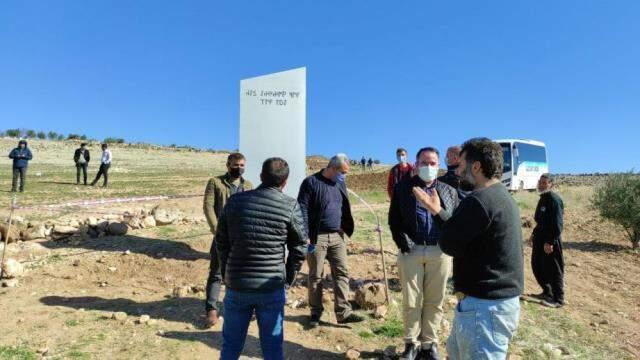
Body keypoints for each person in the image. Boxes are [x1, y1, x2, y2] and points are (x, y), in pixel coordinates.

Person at [413, 137, 524, 360]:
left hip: (485, 308)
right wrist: (437, 212)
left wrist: (440, 221)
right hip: (492, 305)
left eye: (462, 165)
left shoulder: (478, 201)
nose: (458, 171)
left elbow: (450, 243)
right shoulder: (501, 196)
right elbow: (463, 232)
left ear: (476, 166)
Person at [216, 157, 307, 360]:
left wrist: (226, 272)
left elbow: (221, 242)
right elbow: (299, 248)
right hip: (271, 287)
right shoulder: (290, 206)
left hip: (237, 285)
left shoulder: (235, 201)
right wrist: (288, 279)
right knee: (272, 347)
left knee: (230, 345)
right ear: (285, 181)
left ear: (260, 177)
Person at [388, 147, 459, 360]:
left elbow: (452, 222)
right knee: (411, 300)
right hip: (412, 250)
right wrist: (405, 244)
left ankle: (429, 344)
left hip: (440, 252)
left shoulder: (449, 191)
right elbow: (395, 221)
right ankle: (411, 343)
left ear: (439, 166)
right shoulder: (403, 189)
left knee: (435, 300)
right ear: (416, 165)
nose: (429, 167)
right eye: (424, 163)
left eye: (433, 163)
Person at [298, 153, 364, 327]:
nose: (344, 176)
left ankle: (343, 312)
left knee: (341, 273)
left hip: (337, 236)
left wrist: (344, 227)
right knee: (315, 276)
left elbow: (344, 205)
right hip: (316, 237)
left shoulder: (340, 183)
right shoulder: (311, 182)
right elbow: (302, 209)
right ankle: (315, 312)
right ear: (332, 168)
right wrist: (305, 234)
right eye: (342, 172)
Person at [202, 152, 253, 327]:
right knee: (216, 273)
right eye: (235, 165)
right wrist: (217, 230)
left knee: (243, 273)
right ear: (228, 165)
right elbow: (208, 206)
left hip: (241, 238)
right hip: (221, 237)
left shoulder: (248, 185)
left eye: (242, 165)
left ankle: (242, 307)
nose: (239, 168)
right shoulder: (215, 182)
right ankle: (211, 309)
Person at [530, 174, 565, 308]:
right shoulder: (543, 198)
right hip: (539, 238)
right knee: (537, 265)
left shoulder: (554, 200)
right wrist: (533, 234)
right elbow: (540, 221)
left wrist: (550, 242)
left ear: (551, 184)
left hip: (550, 240)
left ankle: (558, 299)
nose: (541, 184)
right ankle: (547, 292)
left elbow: (557, 224)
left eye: (545, 183)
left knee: (553, 268)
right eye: (540, 182)